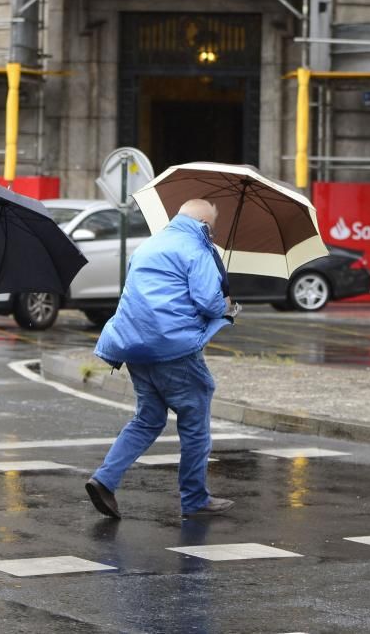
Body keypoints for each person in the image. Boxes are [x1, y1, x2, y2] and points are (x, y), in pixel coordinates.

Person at [85, 198, 236, 519]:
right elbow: (209, 303)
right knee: (194, 422)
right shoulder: (197, 249)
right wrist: (228, 305)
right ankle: (195, 498)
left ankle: (105, 479)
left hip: (133, 345)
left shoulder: (148, 246)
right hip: (174, 348)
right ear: (205, 226)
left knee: (148, 418)